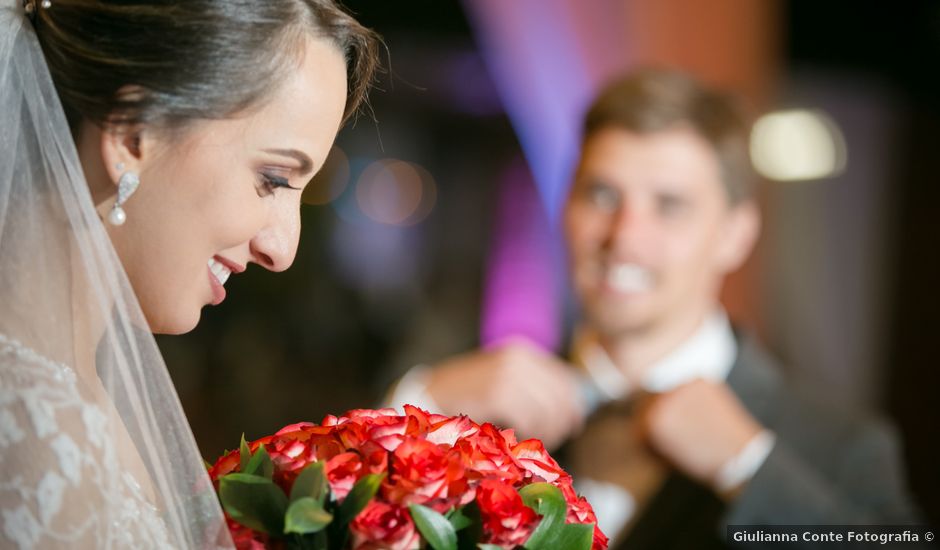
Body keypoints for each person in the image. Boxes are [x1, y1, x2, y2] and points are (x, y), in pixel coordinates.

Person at [387, 69, 920, 548]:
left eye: (670, 205)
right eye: (601, 194)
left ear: (737, 233)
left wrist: (750, 466)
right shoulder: (473, 410)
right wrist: (417, 406)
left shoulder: (841, 446)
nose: (625, 238)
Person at [0, 1, 379, 547]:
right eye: (273, 178)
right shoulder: (32, 434)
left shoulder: (69, 401)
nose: (284, 250)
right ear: (132, 138)